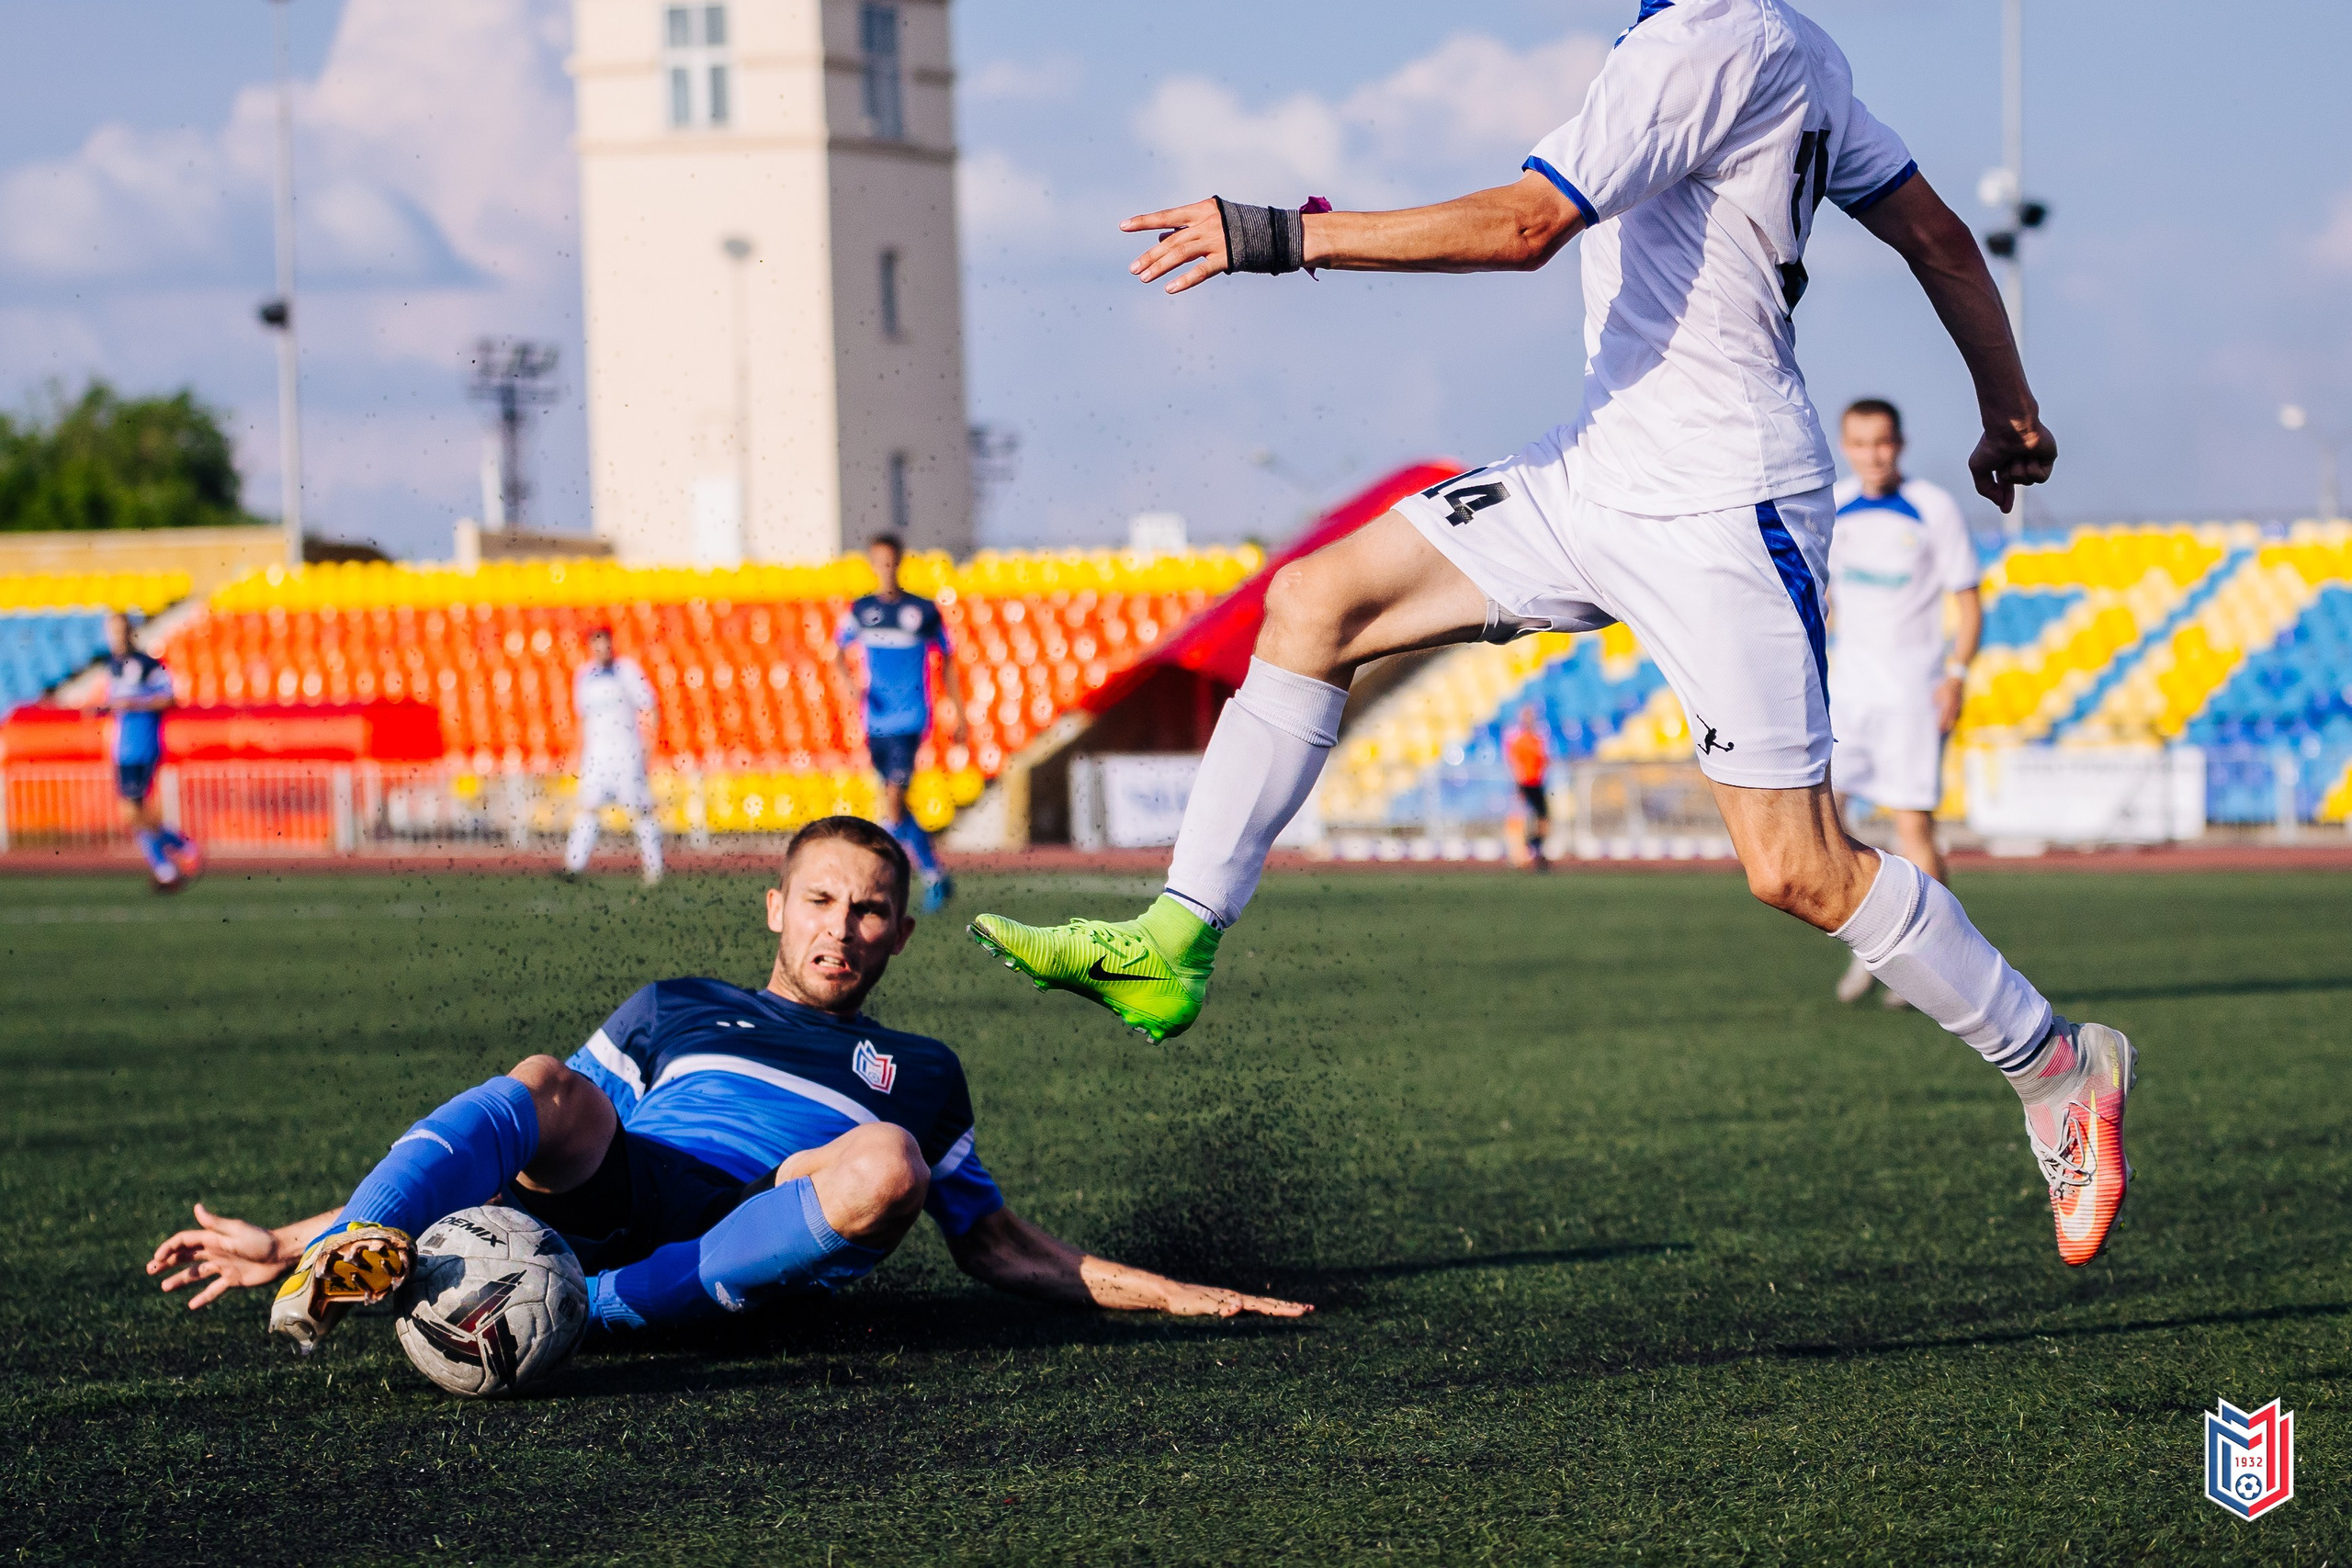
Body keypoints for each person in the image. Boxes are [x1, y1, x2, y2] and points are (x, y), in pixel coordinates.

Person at [967, 0, 2135, 1269]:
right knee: (1315, 602)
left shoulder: (1702, 43)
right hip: (1594, 470)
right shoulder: (1788, 46)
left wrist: (1277, 235)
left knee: (1797, 866)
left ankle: (2056, 1062)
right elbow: (1942, 238)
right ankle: (1174, 937)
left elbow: (1526, 228)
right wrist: (2009, 409)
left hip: (1721, 501)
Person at [144, 817, 1306, 1347]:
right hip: (628, 1185)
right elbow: (512, 1134)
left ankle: (581, 1315)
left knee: (884, 1161)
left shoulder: (924, 1076)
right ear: (776, 907)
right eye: (820, 901)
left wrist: (1177, 1295)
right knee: (548, 1081)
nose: (839, 930)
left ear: (900, 935)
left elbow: (998, 1248)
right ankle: (360, 1254)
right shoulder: (677, 1005)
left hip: (758, 1227)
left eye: (868, 913)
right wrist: (298, 1239)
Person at [1826, 398, 1984, 1007]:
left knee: (1913, 824)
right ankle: (1878, 942)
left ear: (1901, 442)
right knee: (1823, 823)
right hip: (1850, 693)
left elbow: (1967, 601)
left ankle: (1940, 962)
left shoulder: (1933, 508)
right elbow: (1826, 597)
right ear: (1846, 445)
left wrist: (1957, 674)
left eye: (1883, 442)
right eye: (1861, 443)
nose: (1873, 454)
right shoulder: (1833, 506)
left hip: (1914, 691)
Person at [835, 534, 967, 914]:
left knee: (893, 802)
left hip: (910, 718)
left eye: (891, 562)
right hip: (874, 721)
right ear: (871, 564)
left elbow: (949, 661)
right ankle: (934, 874)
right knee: (897, 805)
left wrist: (958, 713)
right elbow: (837, 655)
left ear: (900, 563)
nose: (886, 569)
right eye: (879, 562)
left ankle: (880, 882)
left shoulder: (922, 611)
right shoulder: (860, 610)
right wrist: (850, 685)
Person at [94, 611, 201, 892]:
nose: (117, 636)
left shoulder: (148, 665)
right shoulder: (112, 666)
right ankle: (169, 864)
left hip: (142, 745)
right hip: (122, 748)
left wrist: (132, 704)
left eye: (121, 630)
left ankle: (178, 853)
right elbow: (116, 703)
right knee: (133, 811)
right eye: (112, 631)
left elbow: (170, 699)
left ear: (131, 632)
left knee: (133, 811)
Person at [564, 626, 663, 886]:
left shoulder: (627, 671)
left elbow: (650, 705)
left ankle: (654, 868)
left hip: (626, 752)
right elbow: (582, 719)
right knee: (588, 808)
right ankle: (573, 866)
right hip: (596, 754)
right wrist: (576, 752)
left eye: (605, 643)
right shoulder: (583, 676)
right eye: (596, 644)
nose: (602, 649)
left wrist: (650, 745)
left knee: (640, 809)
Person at [1504, 705, 1553, 869]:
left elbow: (1544, 760)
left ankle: (1535, 849)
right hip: (1524, 784)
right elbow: (1514, 762)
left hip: (1537, 783)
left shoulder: (1538, 739)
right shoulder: (1518, 740)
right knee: (1521, 819)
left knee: (1543, 820)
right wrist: (1519, 782)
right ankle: (1520, 855)